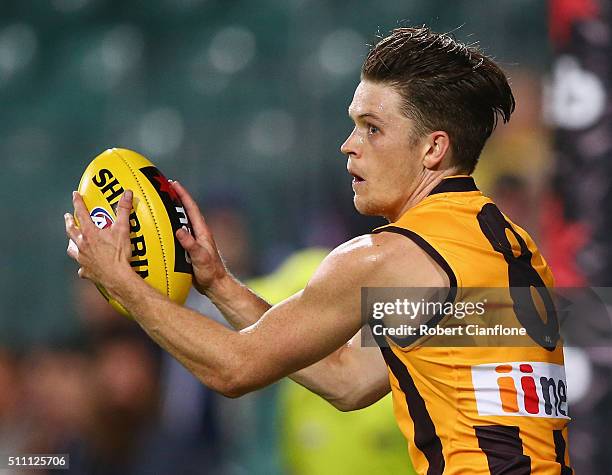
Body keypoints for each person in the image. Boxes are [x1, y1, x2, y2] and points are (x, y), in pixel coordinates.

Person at [65, 27, 572, 474]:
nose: (348, 145)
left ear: (433, 148)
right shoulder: (510, 247)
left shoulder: (386, 257)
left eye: (372, 128)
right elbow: (348, 380)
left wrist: (121, 284)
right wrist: (218, 283)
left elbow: (234, 369)